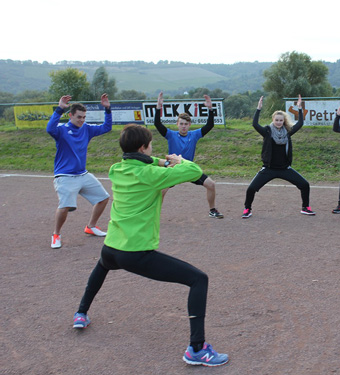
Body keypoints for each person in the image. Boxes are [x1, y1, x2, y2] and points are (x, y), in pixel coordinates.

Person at [72, 124, 229, 366]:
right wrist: (179, 160)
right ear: (143, 147)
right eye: (150, 145)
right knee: (199, 279)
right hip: (135, 253)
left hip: (112, 245)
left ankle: (81, 313)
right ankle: (197, 349)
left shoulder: (116, 169)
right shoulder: (151, 175)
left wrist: (162, 162)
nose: (152, 149)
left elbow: (145, 162)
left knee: (102, 266)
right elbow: (194, 170)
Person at [46, 94, 112, 249]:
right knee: (65, 206)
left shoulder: (87, 129)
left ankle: (91, 226)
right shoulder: (61, 130)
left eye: (84, 117)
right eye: (79, 117)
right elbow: (49, 128)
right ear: (70, 115)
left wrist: (107, 109)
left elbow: (106, 127)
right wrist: (59, 108)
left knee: (103, 198)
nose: (82, 120)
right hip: (65, 176)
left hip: (82, 174)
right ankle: (56, 235)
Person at [241, 95, 315, 218]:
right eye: (277, 120)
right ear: (273, 120)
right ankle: (247, 209)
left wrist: (300, 108)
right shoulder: (267, 132)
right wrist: (258, 108)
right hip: (269, 169)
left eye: (281, 120)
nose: (279, 122)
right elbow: (255, 124)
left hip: (284, 168)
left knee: (304, 185)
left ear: (284, 121)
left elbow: (300, 123)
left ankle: (305, 207)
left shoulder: (288, 132)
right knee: (251, 188)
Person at [154, 92, 223, 218]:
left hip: (188, 168)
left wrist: (210, 109)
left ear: (189, 125)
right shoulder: (170, 135)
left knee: (211, 185)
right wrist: (158, 107)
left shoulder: (194, 134)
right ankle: (154, 214)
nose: (183, 126)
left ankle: (212, 210)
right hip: (173, 169)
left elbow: (210, 125)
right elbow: (158, 124)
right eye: (181, 124)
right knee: (161, 190)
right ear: (177, 124)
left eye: (186, 124)